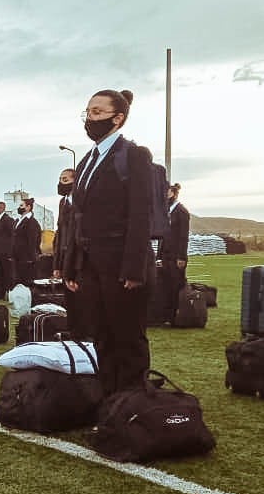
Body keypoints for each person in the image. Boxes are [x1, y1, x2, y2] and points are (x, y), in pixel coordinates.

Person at [64, 88, 153, 394]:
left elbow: (142, 215)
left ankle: (132, 406)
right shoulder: (87, 159)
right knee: (101, 335)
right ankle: (110, 402)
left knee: (127, 336)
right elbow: (79, 215)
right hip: (91, 264)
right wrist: (71, 266)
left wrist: (133, 269)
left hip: (120, 265)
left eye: (97, 112)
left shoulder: (134, 156)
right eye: (88, 112)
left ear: (118, 119)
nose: (90, 118)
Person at [51, 167, 88, 338]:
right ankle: (74, 331)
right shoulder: (63, 202)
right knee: (69, 296)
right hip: (65, 254)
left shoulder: (83, 200)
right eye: (60, 179)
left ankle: (85, 332)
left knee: (82, 295)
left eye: (65, 179)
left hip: (81, 256)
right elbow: (59, 233)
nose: (60, 183)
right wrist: (57, 264)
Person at [153, 183, 190, 324]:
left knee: (176, 286)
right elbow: (163, 236)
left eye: (167, 193)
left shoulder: (181, 212)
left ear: (174, 193)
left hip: (176, 256)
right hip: (166, 256)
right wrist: (159, 256)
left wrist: (182, 257)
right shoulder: (167, 212)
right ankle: (165, 316)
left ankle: (176, 316)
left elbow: (183, 236)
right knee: (165, 286)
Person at [12, 197, 41, 288]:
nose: (19, 207)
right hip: (18, 257)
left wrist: (30, 258)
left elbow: (32, 241)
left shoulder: (31, 222)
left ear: (28, 207)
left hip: (26, 259)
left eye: (21, 205)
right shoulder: (20, 220)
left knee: (26, 282)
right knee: (19, 282)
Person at [0, 200, 15, 297]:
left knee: (7, 272)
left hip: (6, 252)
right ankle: (0, 292)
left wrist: (10, 251)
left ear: (2, 208)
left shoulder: (8, 220)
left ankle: (9, 292)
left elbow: (12, 236)